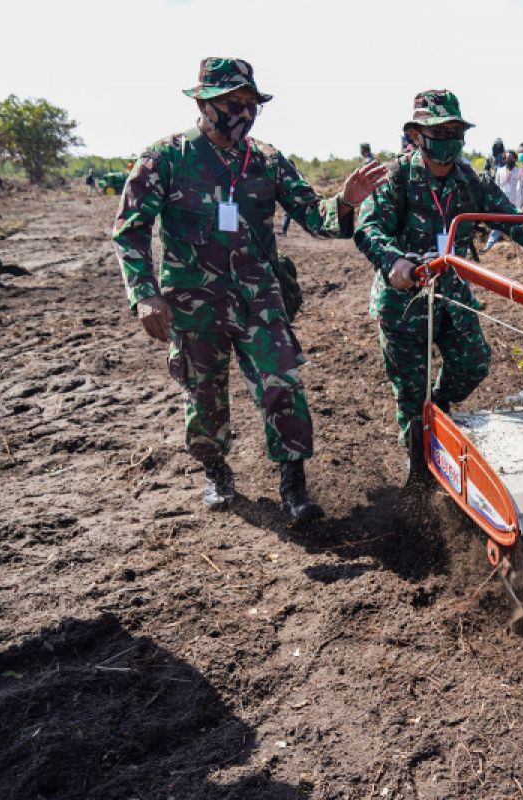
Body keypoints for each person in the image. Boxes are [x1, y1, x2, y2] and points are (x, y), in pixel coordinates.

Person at [112, 57, 388, 522]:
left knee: (283, 381)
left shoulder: (266, 160)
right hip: (194, 302)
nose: (243, 112)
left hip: (259, 299)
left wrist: (343, 201)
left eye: (251, 104)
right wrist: (145, 292)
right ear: (203, 103)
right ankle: (217, 470)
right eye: (231, 103)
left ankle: (294, 487)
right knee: (204, 396)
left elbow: (313, 217)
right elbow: (130, 229)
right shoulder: (166, 158)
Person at [353, 90, 523, 480]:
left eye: (455, 130)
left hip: (451, 293)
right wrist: (395, 261)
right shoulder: (397, 178)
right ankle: (419, 470)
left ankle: (438, 408)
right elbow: (368, 227)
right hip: (404, 301)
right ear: (418, 135)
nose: (449, 138)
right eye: (439, 130)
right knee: (411, 394)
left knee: (473, 364)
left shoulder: (469, 181)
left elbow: (515, 223)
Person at [483, 150, 523, 251]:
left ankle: (517, 249)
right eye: (507, 158)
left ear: (515, 159)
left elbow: (521, 189)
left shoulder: (519, 172)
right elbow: (496, 186)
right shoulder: (500, 171)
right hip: (501, 203)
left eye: (511, 158)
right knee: (497, 225)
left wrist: (520, 205)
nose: (509, 160)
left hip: (515, 203)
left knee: (517, 226)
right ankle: (488, 247)